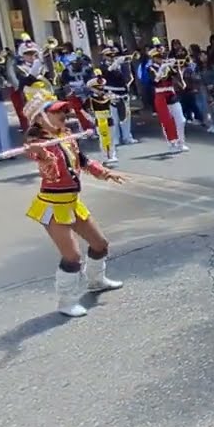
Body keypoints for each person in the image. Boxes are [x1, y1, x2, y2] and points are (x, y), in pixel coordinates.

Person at [21, 91, 126, 317]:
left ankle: (96, 281)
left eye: (64, 111)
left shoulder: (65, 135)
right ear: (39, 118)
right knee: (72, 257)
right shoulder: (36, 144)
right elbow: (50, 172)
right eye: (57, 111)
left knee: (100, 244)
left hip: (72, 202)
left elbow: (83, 161)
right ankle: (66, 301)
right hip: (52, 206)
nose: (64, 115)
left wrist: (105, 173)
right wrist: (43, 156)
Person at [147, 39, 188, 152]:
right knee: (166, 120)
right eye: (159, 56)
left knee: (181, 120)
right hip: (160, 95)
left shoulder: (167, 65)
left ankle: (181, 142)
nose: (162, 58)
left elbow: (176, 74)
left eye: (163, 56)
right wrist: (162, 68)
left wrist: (177, 70)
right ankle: (172, 143)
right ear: (154, 57)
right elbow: (155, 80)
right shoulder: (151, 68)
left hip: (171, 93)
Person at [98, 46, 138, 145]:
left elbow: (128, 77)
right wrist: (116, 64)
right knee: (113, 118)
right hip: (111, 93)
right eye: (109, 55)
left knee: (126, 117)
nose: (112, 57)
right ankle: (115, 139)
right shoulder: (102, 66)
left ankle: (127, 137)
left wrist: (124, 64)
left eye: (114, 55)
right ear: (104, 56)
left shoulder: (122, 65)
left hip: (123, 92)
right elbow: (107, 73)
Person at [85, 71, 119, 165]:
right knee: (103, 138)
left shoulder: (107, 96)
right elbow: (85, 110)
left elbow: (115, 102)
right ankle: (105, 156)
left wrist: (114, 98)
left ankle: (112, 155)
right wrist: (90, 118)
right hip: (99, 119)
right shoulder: (90, 98)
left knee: (111, 138)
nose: (100, 90)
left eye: (101, 88)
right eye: (97, 88)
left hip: (108, 118)